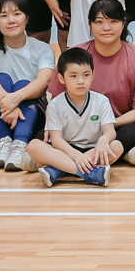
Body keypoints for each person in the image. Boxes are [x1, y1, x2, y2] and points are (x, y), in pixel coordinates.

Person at [47, 0, 135, 166]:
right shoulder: (74, 56)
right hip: (75, 127)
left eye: (113, 21)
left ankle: (75, 161)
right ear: (90, 24)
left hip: (116, 126)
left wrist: (107, 124)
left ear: (123, 23)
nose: (106, 28)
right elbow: (55, 100)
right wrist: (53, 127)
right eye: (99, 22)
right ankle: (114, 156)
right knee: (42, 136)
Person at [0, 0, 54, 171]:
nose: (11, 20)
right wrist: (9, 104)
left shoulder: (42, 49)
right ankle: (3, 142)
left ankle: (19, 144)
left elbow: (44, 81)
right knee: (0, 79)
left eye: (17, 14)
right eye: (4, 16)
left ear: (27, 18)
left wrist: (15, 99)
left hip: (31, 117)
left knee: (24, 85)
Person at [29, 47, 119, 188]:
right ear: (61, 78)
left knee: (116, 146)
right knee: (34, 146)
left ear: (93, 75)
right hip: (66, 150)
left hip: (93, 149)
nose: (81, 81)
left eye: (86, 75)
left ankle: (60, 170)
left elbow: (110, 131)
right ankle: (89, 173)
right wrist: (76, 156)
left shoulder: (101, 101)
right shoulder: (55, 104)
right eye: (73, 76)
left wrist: (104, 140)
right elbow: (56, 140)